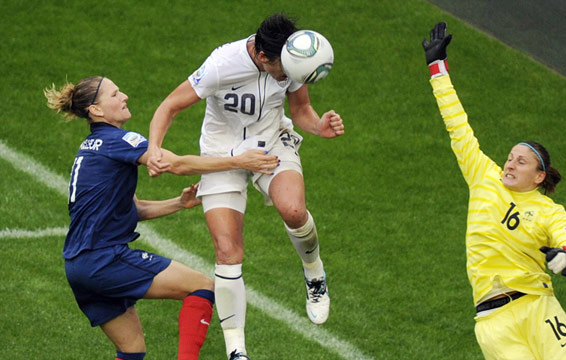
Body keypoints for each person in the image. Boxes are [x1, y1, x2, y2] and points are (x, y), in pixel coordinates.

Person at [146, 13, 344, 360]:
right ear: (263, 57)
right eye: (283, 71)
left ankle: (314, 274)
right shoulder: (222, 64)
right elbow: (170, 106)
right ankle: (237, 351)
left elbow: (301, 110)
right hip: (222, 153)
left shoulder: (293, 58)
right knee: (227, 251)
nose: (288, 77)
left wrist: (319, 126)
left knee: (294, 210)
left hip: (271, 143)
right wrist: (153, 149)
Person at [44, 76, 278, 360]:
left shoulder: (91, 148)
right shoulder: (118, 140)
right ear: (96, 110)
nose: (125, 96)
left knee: (131, 351)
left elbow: (135, 208)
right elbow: (174, 163)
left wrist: (179, 203)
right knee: (202, 286)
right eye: (115, 94)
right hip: (103, 260)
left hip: (78, 266)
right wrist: (240, 161)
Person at [422, 22, 566, 360]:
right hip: (493, 320)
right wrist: (437, 69)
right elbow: (457, 124)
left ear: (539, 176)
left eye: (521, 162)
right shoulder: (484, 175)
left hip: (537, 306)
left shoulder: (549, 211)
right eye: (510, 157)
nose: (509, 164)